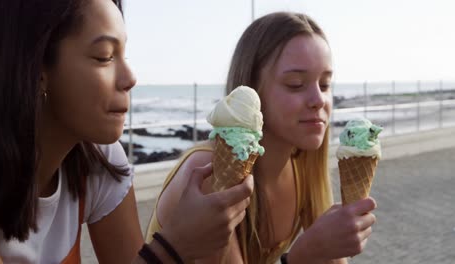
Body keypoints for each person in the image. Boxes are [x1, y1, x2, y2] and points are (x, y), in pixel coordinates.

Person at [0, 0, 253, 263]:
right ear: (37, 68)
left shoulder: (97, 160)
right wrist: (175, 246)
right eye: (104, 56)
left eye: (123, 55)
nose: (130, 78)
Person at [148, 12, 377, 263]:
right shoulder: (204, 173)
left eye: (324, 84)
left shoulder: (302, 164)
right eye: (295, 84)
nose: (319, 100)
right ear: (251, 93)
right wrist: (304, 256)